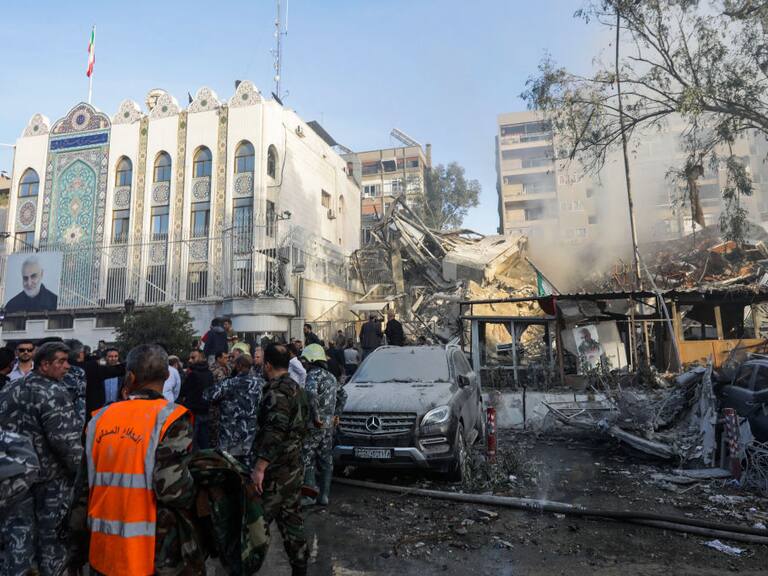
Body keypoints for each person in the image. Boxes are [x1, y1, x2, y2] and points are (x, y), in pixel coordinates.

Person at [67, 344, 197, 576]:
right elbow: (173, 491)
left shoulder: (99, 419)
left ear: (131, 376)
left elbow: (82, 491)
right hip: (150, 554)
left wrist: (75, 549)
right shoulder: (171, 418)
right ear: (167, 376)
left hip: (102, 550)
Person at [0, 342, 82, 576]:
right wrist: (82, 478)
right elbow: (66, 443)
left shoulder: (10, 389)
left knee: (17, 540)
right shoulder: (54, 393)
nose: (67, 366)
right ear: (45, 365)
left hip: (14, 479)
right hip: (50, 483)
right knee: (52, 542)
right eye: (62, 361)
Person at [250, 344, 309, 576]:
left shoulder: (276, 392)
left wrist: (260, 467)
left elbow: (275, 430)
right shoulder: (298, 389)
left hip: (275, 471)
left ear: (267, 365)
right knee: (292, 520)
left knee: (255, 523)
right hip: (293, 467)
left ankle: (244, 566)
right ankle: (300, 568)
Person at [300, 344, 347, 507]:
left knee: (307, 456)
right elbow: (343, 395)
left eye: (305, 360)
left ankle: (310, 495)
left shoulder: (312, 375)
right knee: (326, 459)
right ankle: (324, 496)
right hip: (328, 427)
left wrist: (316, 416)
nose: (303, 363)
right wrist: (336, 415)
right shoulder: (331, 377)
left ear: (311, 360)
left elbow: (311, 394)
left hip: (314, 425)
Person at [203, 354, 263, 467]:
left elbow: (208, 395)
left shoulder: (229, 383)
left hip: (229, 436)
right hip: (251, 436)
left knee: (230, 472)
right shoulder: (260, 383)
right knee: (249, 472)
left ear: (239, 366)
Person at [179, 349, 214, 449]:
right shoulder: (209, 373)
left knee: (191, 443)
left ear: (202, 358)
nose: (190, 360)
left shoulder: (193, 374)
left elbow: (183, 391)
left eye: (193, 357)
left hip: (194, 413)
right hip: (205, 411)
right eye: (190, 357)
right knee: (204, 442)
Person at [62, 339, 88, 427]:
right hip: (74, 419)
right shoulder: (79, 371)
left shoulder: (55, 368)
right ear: (80, 353)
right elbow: (81, 395)